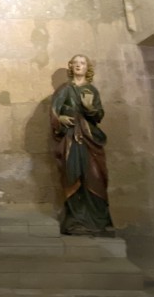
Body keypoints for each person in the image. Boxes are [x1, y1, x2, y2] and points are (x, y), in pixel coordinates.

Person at [50, 54, 113, 235]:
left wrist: (90, 108)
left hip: (90, 139)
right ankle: (76, 220)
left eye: (82, 63)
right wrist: (61, 119)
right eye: (75, 63)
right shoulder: (64, 90)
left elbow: (99, 115)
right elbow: (53, 113)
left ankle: (98, 220)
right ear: (71, 66)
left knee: (95, 176)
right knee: (72, 176)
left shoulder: (91, 90)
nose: (79, 65)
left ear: (87, 68)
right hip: (71, 138)